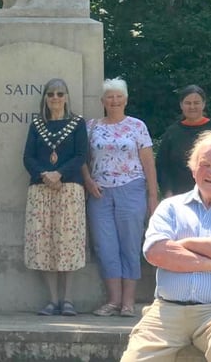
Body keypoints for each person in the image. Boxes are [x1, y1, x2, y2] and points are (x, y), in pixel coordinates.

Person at [121, 131, 211, 362]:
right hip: (166, 312)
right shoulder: (170, 207)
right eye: (205, 164)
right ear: (193, 169)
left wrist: (185, 244)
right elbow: (156, 252)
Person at [82, 78, 158, 317]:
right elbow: (82, 159)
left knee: (130, 244)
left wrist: (152, 196)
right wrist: (88, 181)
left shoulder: (137, 126)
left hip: (131, 188)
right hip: (99, 192)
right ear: (103, 101)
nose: (114, 101)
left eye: (118, 96)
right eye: (109, 97)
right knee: (105, 246)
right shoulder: (91, 126)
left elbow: (148, 162)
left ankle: (128, 302)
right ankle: (113, 300)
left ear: (125, 99)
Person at [23, 78, 87, 316]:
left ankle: (68, 299)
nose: (55, 98)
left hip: (69, 188)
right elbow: (28, 156)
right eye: (51, 94)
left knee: (67, 243)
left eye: (60, 94)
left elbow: (81, 155)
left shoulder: (77, 123)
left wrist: (59, 173)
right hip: (40, 189)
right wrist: (44, 174)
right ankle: (52, 300)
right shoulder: (37, 124)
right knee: (44, 244)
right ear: (45, 98)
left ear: (66, 97)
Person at [156, 85, 211, 198]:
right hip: (180, 197)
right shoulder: (172, 132)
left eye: (196, 103)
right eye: (188, 103)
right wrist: (167, 192)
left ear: (203, 104)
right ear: (181, 105)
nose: (192, 107)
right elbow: (162, 166)